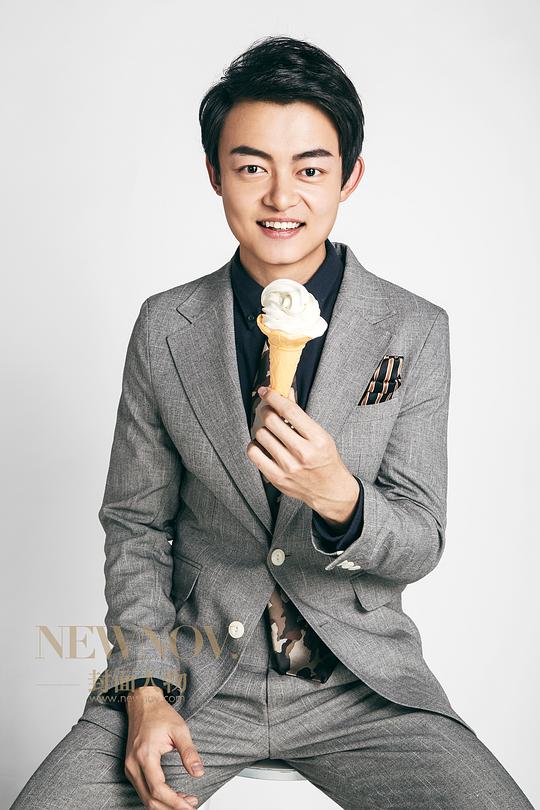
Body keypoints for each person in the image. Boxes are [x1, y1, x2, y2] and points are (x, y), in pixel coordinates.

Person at [11, 35, 534, 810]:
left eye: (310, 170)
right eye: (252, 167)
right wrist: (146, 687)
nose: (281, 198)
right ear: (214, 174)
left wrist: (340, 499)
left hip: (359, 687)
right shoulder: (164, 327)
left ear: (350, 177)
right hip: (193, 676)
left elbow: (421, 538)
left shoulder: (413, 328)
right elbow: (134, 524)